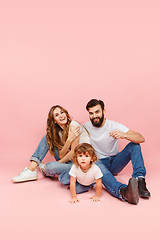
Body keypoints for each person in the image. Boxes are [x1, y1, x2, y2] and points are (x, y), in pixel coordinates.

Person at [59, 99, 151, 205]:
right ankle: (123, 191)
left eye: (97, 112)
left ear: (104, 111)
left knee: (134, 145)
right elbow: (72, 133)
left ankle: (140, 180)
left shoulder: (113, 125)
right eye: (91, 113)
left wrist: (124, 135)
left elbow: (141, 138)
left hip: (115, 162)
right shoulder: (85, 126)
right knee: (96, 164)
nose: (94, 116)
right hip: (99, 162)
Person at [12, 105, 90, 183]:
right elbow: (61, 156)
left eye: (62, 112)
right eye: (56, 115)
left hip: (80, 164)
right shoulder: (60, 132)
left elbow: (73, 152)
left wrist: (57, 164)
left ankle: (44, 168)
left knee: (51, 167)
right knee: (48, 137)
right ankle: (32, 168)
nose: (61, 116)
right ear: (54, 121)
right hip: (70, 161)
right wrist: (69, 140)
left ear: (66, 114)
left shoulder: (74, 125)